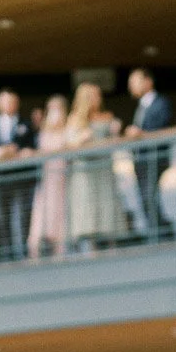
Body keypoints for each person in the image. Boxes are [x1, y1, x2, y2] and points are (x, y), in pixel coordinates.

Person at [64, 81, 125, 249]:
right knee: (87, 210)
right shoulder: (75, 119)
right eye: (94, 95)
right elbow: (68, 145)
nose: (98, 99)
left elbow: (115, 144)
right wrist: (82, 139)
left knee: (106, 206)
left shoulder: (107, 117)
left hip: (103, 169)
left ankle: (112, 248)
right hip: (84, 172)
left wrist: (115, 132)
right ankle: (90, 250)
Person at [0, 88, 36, 260]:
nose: (9, 105)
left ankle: (24, 253)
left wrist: (19, 151)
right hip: (0, 180)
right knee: (3, 218)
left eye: (12, 101)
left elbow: (33, 147)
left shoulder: (27, 124)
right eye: (5, 101)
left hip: (23, 179)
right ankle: (7, 254)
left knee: (24, 216)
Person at [124, 66, 173, 235]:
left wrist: (141, 134)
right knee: (145, 198)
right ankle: (159, 231)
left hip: (154, 158)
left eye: (134, 82)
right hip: (140, 161)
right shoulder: (141, 106)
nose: (131, 86)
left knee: (149, 197)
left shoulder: (161, 102)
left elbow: (161, 127)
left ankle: (163, 233)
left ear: (148, 81)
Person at [27, 94, 69, 258]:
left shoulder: (67, 131)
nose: (54, 113)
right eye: (51, 109)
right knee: (43, 216)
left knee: (61, 216)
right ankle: (36, 253)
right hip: (48, 181)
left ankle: (62, 252)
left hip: (63, 181)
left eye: (57, 109)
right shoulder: (44, 132)